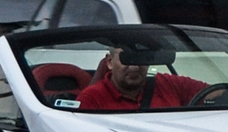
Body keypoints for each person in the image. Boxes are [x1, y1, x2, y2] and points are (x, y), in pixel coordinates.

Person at [76, 46, 210, 112]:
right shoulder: (91, 98)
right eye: (127, 58)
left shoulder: (169, 83)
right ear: (110, 62)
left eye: (141, 58)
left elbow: (217, 93)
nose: (134, 66)